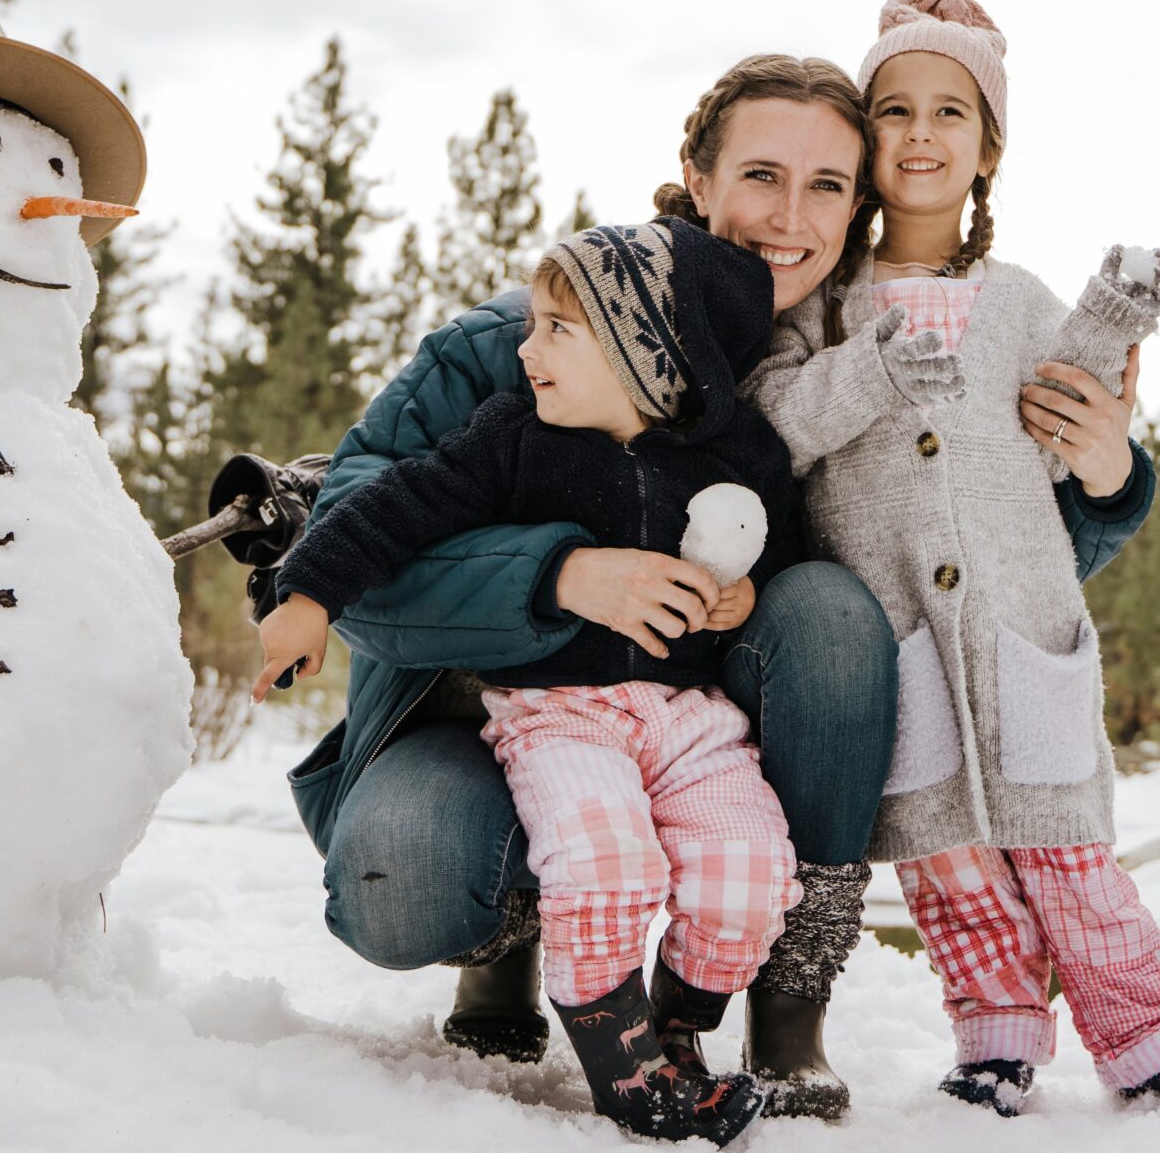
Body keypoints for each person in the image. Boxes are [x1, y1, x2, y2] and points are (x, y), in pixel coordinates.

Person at [278, 52, 1160, 1122]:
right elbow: (349, 541)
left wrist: (1107, 482)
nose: (791, 215)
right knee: (405, 871)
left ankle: (785, 1010)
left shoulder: (858, 357)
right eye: (760, 175)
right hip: (489, 718)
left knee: (835, 614)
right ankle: (505, 939)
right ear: (695, 178)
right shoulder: (528, 341)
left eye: (828, 185)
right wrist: (561, 574)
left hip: (701, 724)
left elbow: (977, 572)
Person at [747, 0, 1160, 1119]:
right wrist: (875, 365)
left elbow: (1078, 414)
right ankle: (993, 1035)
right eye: (895, 110)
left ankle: (1146, 1036)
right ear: (862, 134)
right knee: (946, 857)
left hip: (1022, 620)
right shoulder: (821, 307)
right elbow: (777, 425)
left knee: (1065, 842)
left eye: (951, 111)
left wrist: (1116, 327)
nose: (922, 134)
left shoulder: (1021, 301)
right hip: (896, 632)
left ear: (989, 147)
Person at [257, 220, 797, 1143]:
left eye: (557, 328)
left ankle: (676, 1022)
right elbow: (397, 504)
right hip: (561, 715)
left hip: (686, 716)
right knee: (604, 862)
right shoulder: (513, 438)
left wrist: (742, 598)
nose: (526, 346)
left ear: (646, 354)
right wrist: (307, 593)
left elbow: (783, 540)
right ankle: (624, 1066)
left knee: (750, 868)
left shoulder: (731, 457)